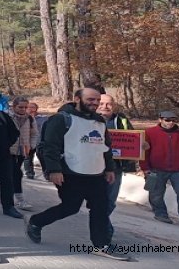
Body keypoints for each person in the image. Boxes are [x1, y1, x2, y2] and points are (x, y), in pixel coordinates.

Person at [25, 88, 124, 260]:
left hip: (96, 174)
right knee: (70, 208)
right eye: (91, 99)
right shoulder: (61, 119)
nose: (95, 103)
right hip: (70, 173)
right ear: (77, 99)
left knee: (101, 209)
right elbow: (50, 147)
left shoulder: (99, 121)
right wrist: (54, 170)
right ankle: (36, 222)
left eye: (97, 100)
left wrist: (109, 169)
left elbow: (105, 147)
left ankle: (101, 245)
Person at [140, 110, 179, 227]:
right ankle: (161, 214)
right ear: (160, 120)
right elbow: (143, 152)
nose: (170, 123)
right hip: (156, 169)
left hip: (178, 170)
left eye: (173, 120)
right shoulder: (149, 133)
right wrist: (145, 168)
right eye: (167, 120)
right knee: (156, 194)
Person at [96, 94, 138, 239]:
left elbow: (133, 139)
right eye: (101, 103)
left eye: (108, 104)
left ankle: (103, 229)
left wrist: (140, 146)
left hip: (115, 167)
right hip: (93, 167)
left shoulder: (121, 120)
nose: (105, 107)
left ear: (113, 105)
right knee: (93, 201)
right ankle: (102, 230)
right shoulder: (87, 119)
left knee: (109, 201)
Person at [8, 96, 36, 211]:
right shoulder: (7, 117)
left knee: (15, 174)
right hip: (8, 150)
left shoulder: (29, 119)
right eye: (20, 107)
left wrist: (32, 145)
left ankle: (16, 199)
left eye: (25, 107)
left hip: (22, 151)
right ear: (14, 106)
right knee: (14, 174)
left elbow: (34, 133)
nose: (23, 109)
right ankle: (15, 200)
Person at [23, 102, 46, 180]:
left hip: (40, 141)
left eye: (33, 107)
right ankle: (29, 173)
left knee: (43, 157)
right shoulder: (24, 118)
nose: (31, 109)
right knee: (28, 157)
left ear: (36, 109)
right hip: (28, 141)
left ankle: (47, 173)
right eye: (29, 107)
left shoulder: (43, 118)